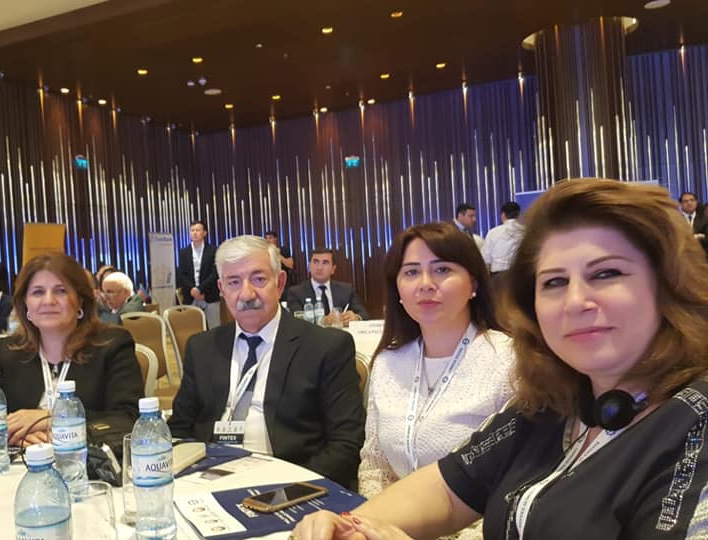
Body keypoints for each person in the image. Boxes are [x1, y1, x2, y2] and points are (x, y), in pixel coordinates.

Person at [293, 178, 708, 540]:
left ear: (668, 285)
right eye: (554, 282)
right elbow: (448, 489)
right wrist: (350, 525)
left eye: (606, 274)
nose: (575, 301)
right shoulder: (551, 406)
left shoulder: (694, 424)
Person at [168, 235, 364, 489]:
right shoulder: (202, 348)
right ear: (221, 289)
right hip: (207, 482)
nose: (246, 294)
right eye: (233, 282)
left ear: (280, 283)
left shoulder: (325, 347)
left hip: (288, 485)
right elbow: (180, 430)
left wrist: (284, 492)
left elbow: (346, 445)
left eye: (258, 279)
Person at [358, 222, 514, 538]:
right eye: (411, 272)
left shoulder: (509, 361)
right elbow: (374, 464)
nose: (426, 284)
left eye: (442, 270)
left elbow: (515, 487)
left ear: (473, 283)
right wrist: (373, 527)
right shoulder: (388, 362)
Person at [0, 252, 143, 445]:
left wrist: (52, 419)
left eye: (61, 291)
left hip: (84, 461)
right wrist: (12, 435)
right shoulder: (9, 351)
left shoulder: (112, 345)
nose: (48, 301)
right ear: (25, 303)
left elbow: (129, 420)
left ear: (80, 300)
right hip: (21, 461)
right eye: (37, 292)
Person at [286, 248, 368, 325]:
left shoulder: (346, 289)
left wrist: (356, 317)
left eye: (325, 263)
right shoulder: (296, 292)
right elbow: (296, 321)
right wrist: (324, 320)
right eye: (316, 262)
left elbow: (364, 315)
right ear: (309, 266)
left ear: (333, 269)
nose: (319, 267)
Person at [176, 220, 220, 327]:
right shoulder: (183, 252)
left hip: (209, 295)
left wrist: (200, 289)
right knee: (192, 329)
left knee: (214, 328)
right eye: (192, 230)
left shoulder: (214, 250)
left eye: (197, 230)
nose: (194, 233)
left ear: (204, 233)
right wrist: (193, 290)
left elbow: (215, 274)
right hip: (190, 296)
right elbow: (181, 274)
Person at [481, 201, 525, 287]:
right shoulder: (525, 231)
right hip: (519, 276)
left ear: (503, 215)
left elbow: (485, 259)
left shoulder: (493, 232)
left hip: (498, 277)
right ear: (519, 215)